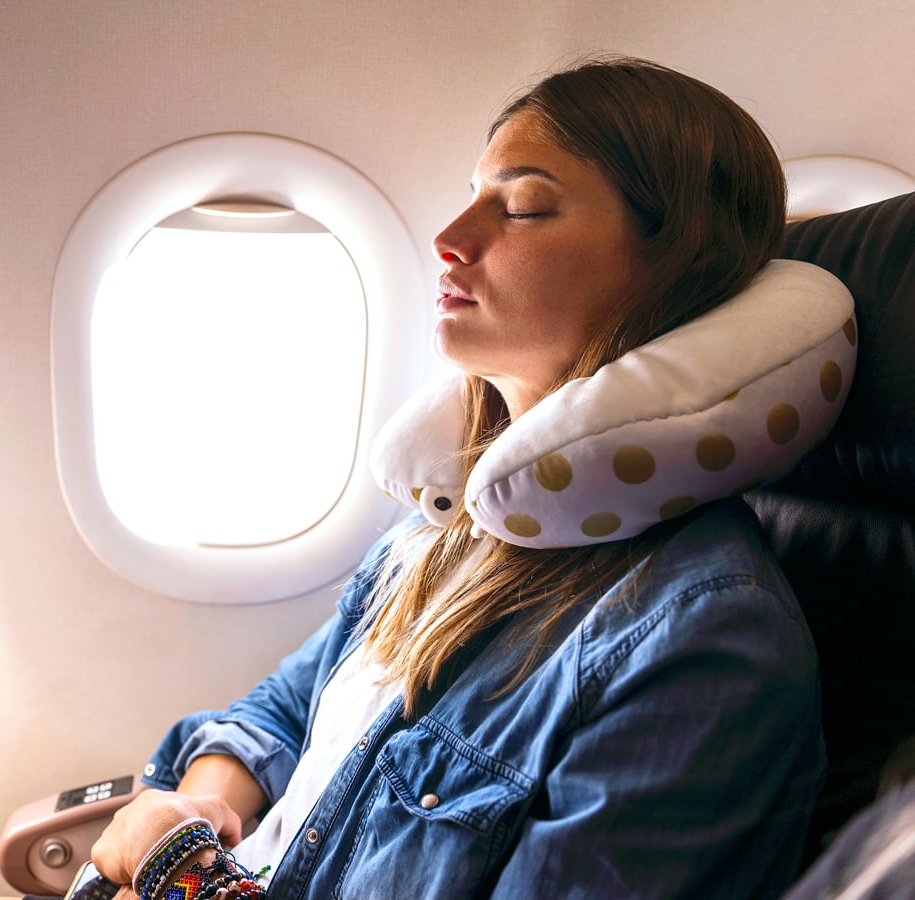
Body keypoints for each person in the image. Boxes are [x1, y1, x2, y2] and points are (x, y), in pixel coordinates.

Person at [83, 56, 855, 899]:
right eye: (474, 193)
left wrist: (176, 875)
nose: (450, 234)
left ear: (673, 265)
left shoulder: (700, 644)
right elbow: (284, 709)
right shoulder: (446, 527)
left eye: (522, 206)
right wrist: (196, 809)